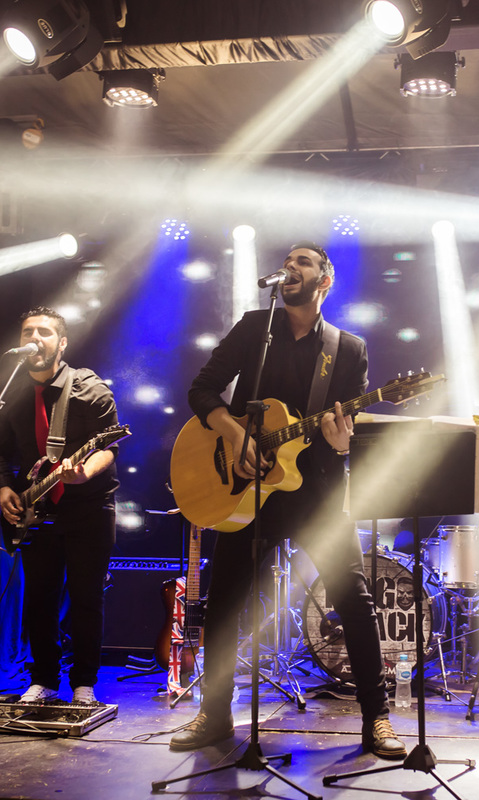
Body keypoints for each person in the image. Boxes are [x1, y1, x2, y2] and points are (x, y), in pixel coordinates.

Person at [171, 242, 405, 759]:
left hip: (315, 493)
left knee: (355, 603)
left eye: (304, 262)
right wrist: (234, 433)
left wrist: (341, 444)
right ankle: (214, 714)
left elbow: (346, 432)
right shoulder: (255, 328)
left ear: (325, 280)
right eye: (288, 261)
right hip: (246, 490)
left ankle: (377, 718)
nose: (291, 267)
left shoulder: (348, 349)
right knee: (225, 603)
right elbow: (202, 390)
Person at [0, 307, 120, 705]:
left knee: (86, 598)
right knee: (39, 599)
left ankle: (84, 684)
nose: (34, 338)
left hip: (88, 508)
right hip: (37, 511)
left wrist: (83, 473)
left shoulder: (89, 388)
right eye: (27, 331)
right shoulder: (12, 392)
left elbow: (110, 446)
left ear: (61, 343)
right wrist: (4, 487)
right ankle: (43, 680)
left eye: (44, 332)